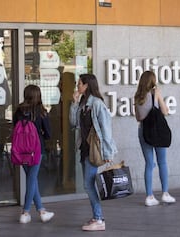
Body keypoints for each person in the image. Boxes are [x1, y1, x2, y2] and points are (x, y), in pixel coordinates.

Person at [69, 74, 117, 231]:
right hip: (84, 149)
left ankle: (99, 218)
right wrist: (74, 103)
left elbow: (106, 129)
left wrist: (108, 153)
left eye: (79, 84)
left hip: (94, 151)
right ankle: (97, 217)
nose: (77, 86)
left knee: (88, 185)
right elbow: (73, 122)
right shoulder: (83, 103)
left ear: (87, 85)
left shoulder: (97, 104)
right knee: (88, 185)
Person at [134, 70, 176, 207]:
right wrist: (159, 98)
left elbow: (138, 118)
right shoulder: (155, 93)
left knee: (149, 164)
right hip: (157, 131)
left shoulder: (137, 96)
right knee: (162, 162)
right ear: (153, 80)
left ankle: (149, 196)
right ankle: (165, 193)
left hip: (144, 131)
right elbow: (165, 111)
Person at [13, 85, 55, 224]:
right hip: (36, 150)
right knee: (32, 179)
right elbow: (48, 133)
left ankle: (42, 211)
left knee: (32, 179)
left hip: (21, 151)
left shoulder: (19, 110)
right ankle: (25, 212)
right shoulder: (41, 112)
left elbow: (14, 128)